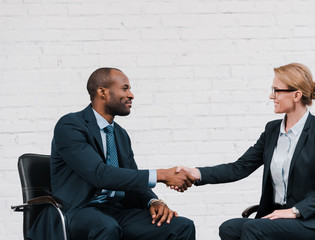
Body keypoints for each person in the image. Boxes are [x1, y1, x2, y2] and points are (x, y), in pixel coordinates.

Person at [176, 63, 315, 240]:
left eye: (276, 90)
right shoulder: (272, 130)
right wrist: (196, 173)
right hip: (276, 218)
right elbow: (240, 167)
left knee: (254, 229)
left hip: (311, 222)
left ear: (296, 95)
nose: (271, 96)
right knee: (229, 228)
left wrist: (295, 211)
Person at [27, 67, 196, 240]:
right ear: (102, 91)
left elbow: (132, 178)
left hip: (115, 211)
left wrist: (153, 201)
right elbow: (100, 174)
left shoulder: (120, 134)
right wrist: (161, 174)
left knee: (182, 226)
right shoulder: (70, 126)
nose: (131, 95)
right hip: (77, 211)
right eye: (125, 88)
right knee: (106, 228)